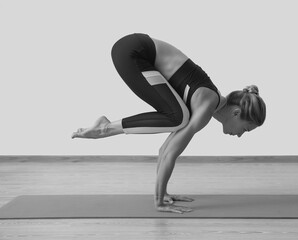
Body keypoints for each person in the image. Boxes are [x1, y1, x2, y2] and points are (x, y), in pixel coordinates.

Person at [71, 33, 266, 214]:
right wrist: (159, 201)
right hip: (134, 52)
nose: (240, 135)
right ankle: (105, 127)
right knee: (179, 117)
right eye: (246, 129)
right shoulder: (207, 104)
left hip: (133, 50)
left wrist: (162, 193)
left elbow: (164, 150)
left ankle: (106, 127)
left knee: (178, 117)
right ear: (236, 112)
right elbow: (170, 153)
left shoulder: (205, 102)